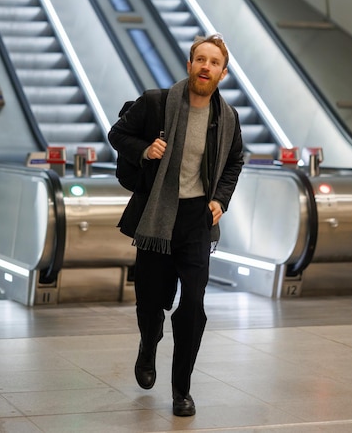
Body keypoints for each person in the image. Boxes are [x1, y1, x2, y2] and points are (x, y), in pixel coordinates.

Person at [108, 34, 244, 417]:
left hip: (196, 220)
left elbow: (235, 163)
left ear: (222, 72)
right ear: (189, 66)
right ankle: (148, 343)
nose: (205, 67)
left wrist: (220, 200)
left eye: (213, 62)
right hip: (157, 214)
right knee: (151, 301)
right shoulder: (155, 103)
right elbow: (117, 134)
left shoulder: (228, 119)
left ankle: (181, 390)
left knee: (193, 307)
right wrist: (144, 148)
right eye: (199, 59)